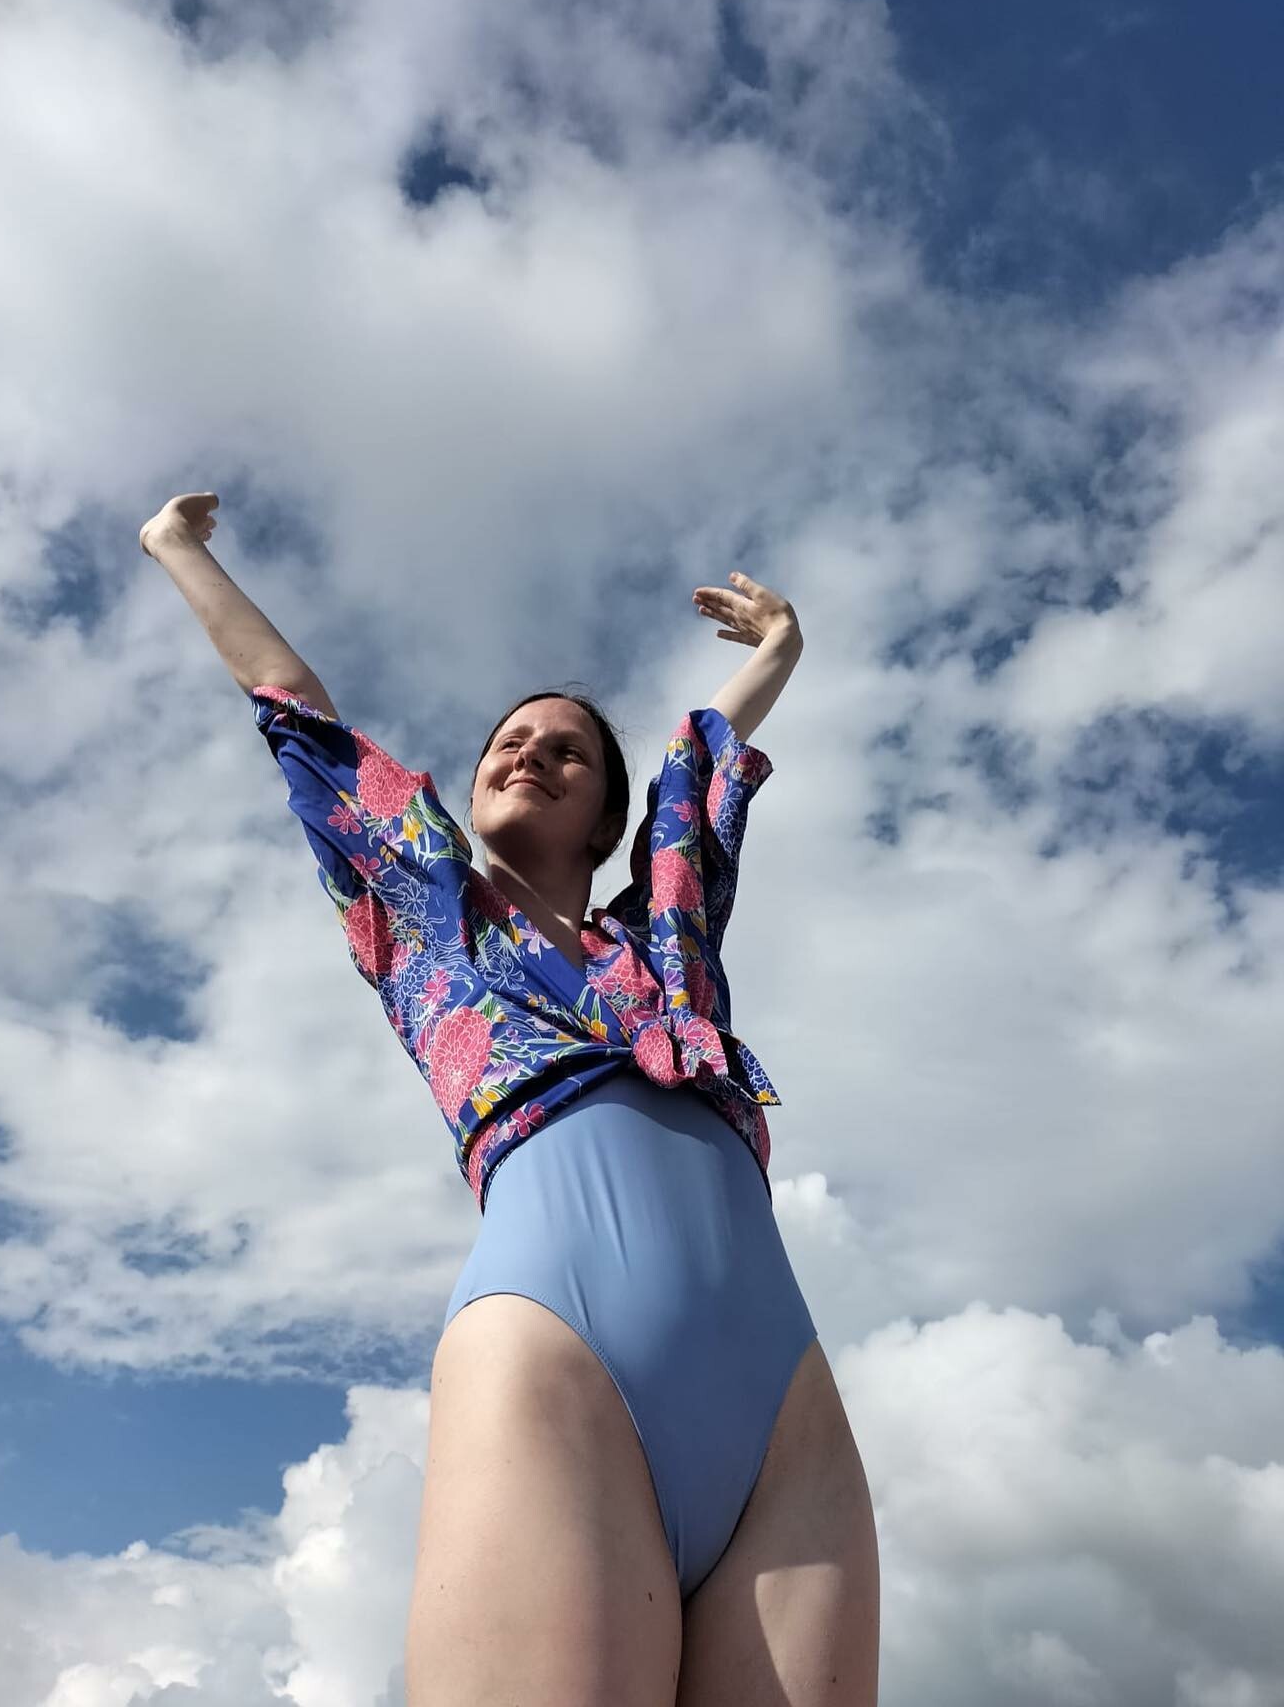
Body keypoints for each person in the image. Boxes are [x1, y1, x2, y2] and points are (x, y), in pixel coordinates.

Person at [141, 491, 880, 1707]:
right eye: (510, 741)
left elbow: (695, 778)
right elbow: (302, 716)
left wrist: (783, 648)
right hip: (557, 1359)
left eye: (567, 750)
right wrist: (177, 551)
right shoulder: (425, 907)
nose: (530, 751)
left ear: (604, 822)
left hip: (782, 1407)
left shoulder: (670, 945)